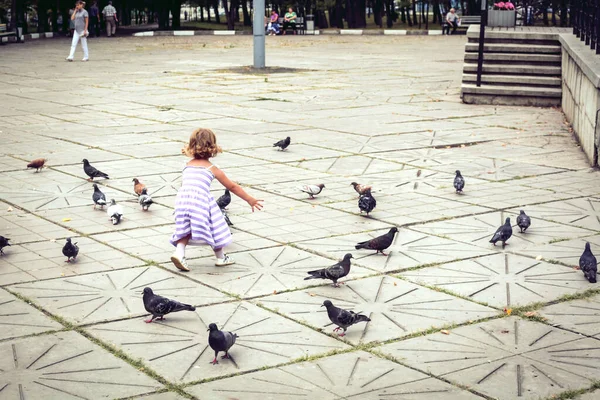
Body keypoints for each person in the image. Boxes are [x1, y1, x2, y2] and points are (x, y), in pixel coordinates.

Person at [170, 128, 263, 271]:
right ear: (212, 147)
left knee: (185, 228)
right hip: (201, 201)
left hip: (182, 201)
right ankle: (221, 257)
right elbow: (232, 186)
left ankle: (179, 252)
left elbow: (186, 185)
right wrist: (250, 199)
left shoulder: (186, 166)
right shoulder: (212, 168)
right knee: (215, 227)